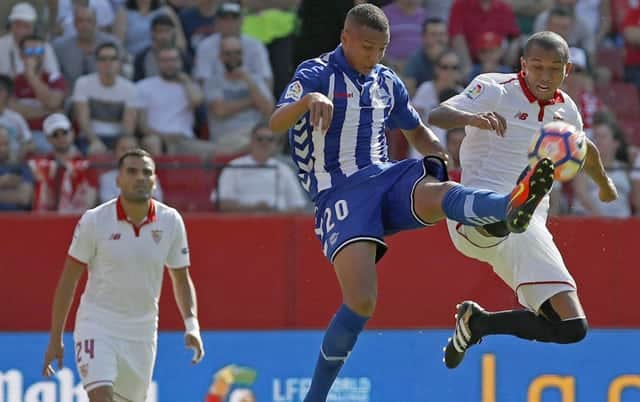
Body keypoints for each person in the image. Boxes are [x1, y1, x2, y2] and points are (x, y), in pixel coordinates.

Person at [269, 5, 556, 401]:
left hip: (384, 177)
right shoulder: (316, 73)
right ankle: (315, 397)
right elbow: (276, 123)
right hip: (338, 193)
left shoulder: (386, 81)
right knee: (362, 300)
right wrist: (308, 101)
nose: (374, 57)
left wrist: (437, 153)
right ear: (345, 38)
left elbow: (417, 129)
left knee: (437, 191)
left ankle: (508, 207)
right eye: (367, 47)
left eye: (382, 49)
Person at [427, 31, 619, 369]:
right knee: (504, 216)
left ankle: (478, 324)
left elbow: (583, 147)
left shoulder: (566, 110)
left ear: (567, 69)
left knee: (572, 327)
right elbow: (437, 115)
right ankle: (512, 207)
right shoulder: (494, 89)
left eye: (553, 69)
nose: (544, 77)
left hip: (528, 226)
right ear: (523, 65)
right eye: (537, 67)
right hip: (474, 208)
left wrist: (604, 184)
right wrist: (472, 118)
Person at [42, 148, 205, 402]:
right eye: (131, 171)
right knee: (102, 397)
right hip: (97, 325)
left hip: (142, 333)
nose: (140, 177)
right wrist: (56, 337)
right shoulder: (95, 220)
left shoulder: (171, 221)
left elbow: (181, 279)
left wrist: (192, 324)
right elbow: (68, 280)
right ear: (117, 179)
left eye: (147, 172)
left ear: (155, 180)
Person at [214, 123, 308, 213]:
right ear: (251, 141)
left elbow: (298, 206)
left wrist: (275, 214)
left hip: (278, 224)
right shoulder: (233, 167)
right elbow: (222, 203)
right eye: (260, 139)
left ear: (275, 144)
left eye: (270, 139)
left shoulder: (284, 170)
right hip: (241, 224)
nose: (264, 143)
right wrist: (254, 209)